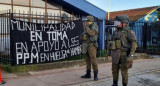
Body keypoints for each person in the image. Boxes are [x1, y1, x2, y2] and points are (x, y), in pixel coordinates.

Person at [106, 15, 137, 86]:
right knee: (114, 70)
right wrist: (108, 52)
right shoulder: (115, 32)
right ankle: (115, 84)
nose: (117, 23)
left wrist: (131, 54)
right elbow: (110, 43)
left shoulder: (128, 32)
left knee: (124, 71)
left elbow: (134, 43)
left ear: (124, 23)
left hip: (124, 54)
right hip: (115, 53)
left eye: (118, 22)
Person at [81, 16, 99, 81]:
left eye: (88, 21)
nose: (87, 22)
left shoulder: (95, 27)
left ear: (91, 21)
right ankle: (88, 74)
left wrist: (87, 28)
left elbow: (92, 33)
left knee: (93, 60)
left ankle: (95, 75)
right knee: (87, 60)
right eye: (87, 21)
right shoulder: (87, 26)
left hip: (92, 46)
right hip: (86, 45)